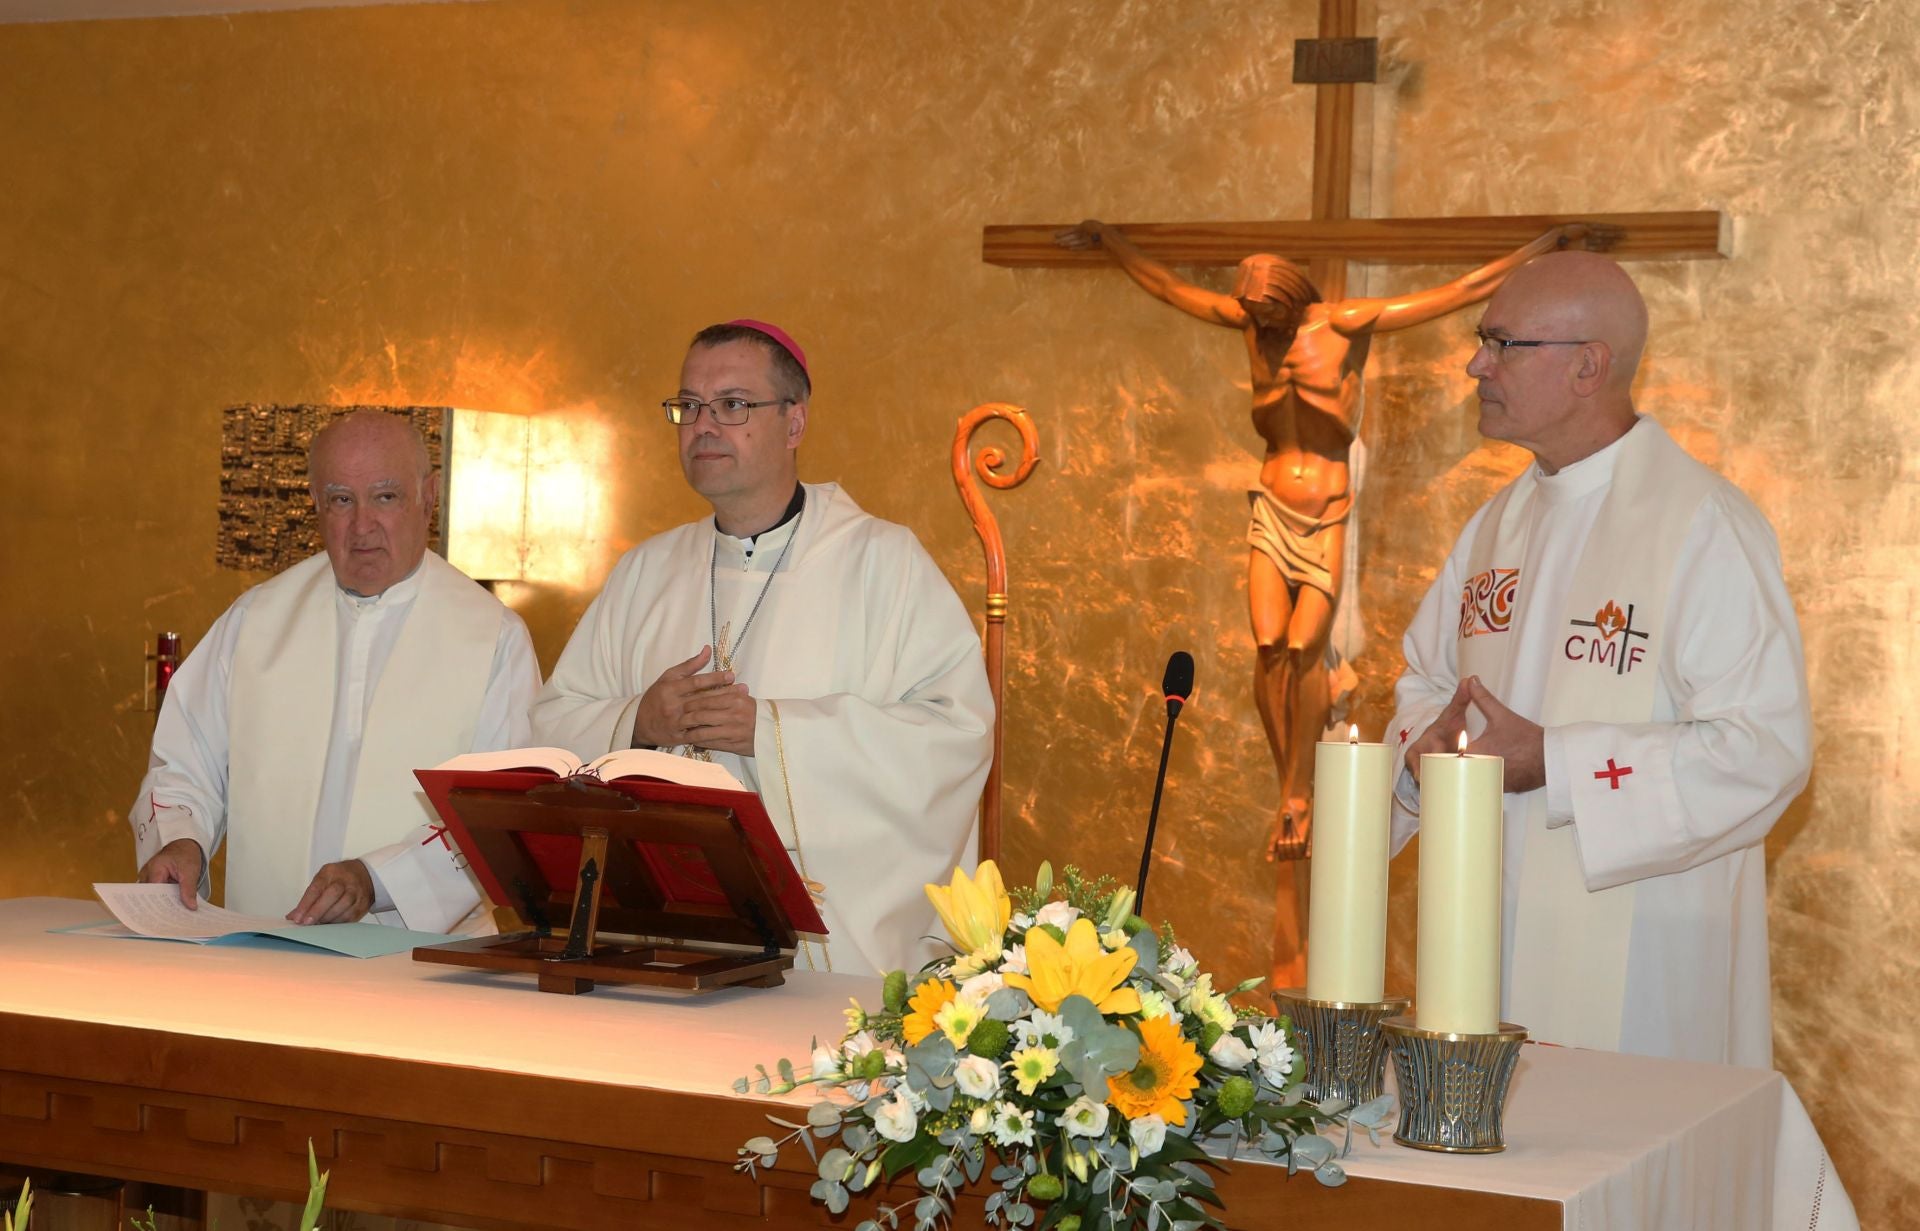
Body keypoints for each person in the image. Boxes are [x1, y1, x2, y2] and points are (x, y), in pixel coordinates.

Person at [1054, 218, 1595, 984]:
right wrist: (1112, 244)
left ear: (1285, 296)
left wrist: (1543, 246)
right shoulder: (1252, 330)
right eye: (1246, 310)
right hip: (1270, 505)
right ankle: (1291, 785)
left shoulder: (1343, 325)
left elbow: (1459, 290)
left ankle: (1299, 794)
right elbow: (1176, 290)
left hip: (1327, 509)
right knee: (1271, 646)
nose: (1251, 319)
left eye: (1260, 307)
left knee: (1307, 647)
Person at [1387, 251, 1811, 1068]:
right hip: (1480, 946)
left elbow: (1766, 749)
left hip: (1645, 966)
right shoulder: (1493, 527)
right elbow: (1424, 680)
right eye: (1483, 340)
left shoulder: (1702, 525)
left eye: (1503, 342)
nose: (1476, 364)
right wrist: (1422, 749)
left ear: (1589, 365)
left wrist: (1554, 759)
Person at [530, 320, 994, 975]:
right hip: (662, 946)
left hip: (831, 964)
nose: (704, 425)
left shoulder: (884, 563)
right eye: (688, 406)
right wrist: (640, 720)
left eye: (734, 405)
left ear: (795, 422)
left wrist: (775, 733)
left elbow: (955, 734)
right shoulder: (645, 571)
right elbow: (551, 722)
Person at [131, 411, 541, 932]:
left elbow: (498, 817)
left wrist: (378, 880)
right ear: (316, 504)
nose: (362, 525)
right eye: (342, 500)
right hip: (261, 949)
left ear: (429, 496)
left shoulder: (494, 639)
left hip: (419, 970)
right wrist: (181, 841)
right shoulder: (255, 620)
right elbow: (184, 763)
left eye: (385, 497)